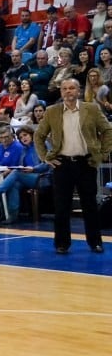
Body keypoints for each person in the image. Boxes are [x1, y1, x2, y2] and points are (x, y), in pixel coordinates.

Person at [34, 78, 112, 254]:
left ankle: (95, 242)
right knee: (61, 207)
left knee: (90, 205)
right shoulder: (52, 111)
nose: (68, 91)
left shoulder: (91, 109)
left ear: (78, 91)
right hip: (62, 164)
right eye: (64, 89)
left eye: (71, 88)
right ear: (61, 92)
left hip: (86, 163)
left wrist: (103, 153)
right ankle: (62, 244)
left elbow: (107, 130)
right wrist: (45, 157)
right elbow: (38, 135)